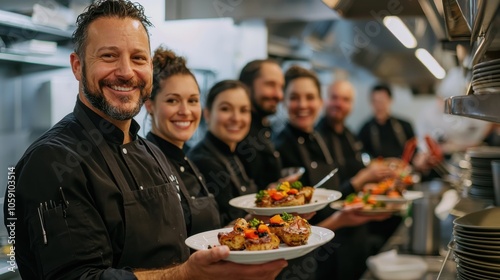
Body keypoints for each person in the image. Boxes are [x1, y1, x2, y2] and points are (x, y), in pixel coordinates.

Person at [5, 1, 286, 279]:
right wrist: (186, 275)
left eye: (138, 58)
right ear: (77, 66)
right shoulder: (51, 163)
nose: (126, 72)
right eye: (108, 56)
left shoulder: (152, 153)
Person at [275, 67, 391, 280]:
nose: (303, 105)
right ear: (283, 101)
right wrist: (338, 220)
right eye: (294, 97)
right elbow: (284, 229)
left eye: (309, 97)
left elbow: (331, 192)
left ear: (319, 102)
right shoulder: (279, 146)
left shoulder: (317, 138)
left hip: (338, 244)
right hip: (303, 260)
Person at [144, 47, 221, 236]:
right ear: (150, 105)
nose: (185, 111)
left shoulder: (187, 160)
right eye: (172, 101)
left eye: (193, 101)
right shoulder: (146, 166)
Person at [188, 80, 258, 226]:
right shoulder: (203, 161)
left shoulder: (233, 152)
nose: (236, 118)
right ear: (207, 114)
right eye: (226, 109)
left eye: (244, 110)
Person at [236, 59, 285, 189]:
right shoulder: (236, 131)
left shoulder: (265, 128)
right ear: (246, 86)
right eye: (270, 85)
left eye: (281, 87)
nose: (279, 95)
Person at [358, 84, 415, 159]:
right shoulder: (365, 129)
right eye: (374, 101)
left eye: (381, 101)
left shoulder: (405, 125)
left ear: (390, 101)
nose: (378, 106)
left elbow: (414, 152)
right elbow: (361, 154)